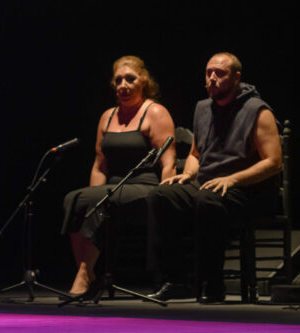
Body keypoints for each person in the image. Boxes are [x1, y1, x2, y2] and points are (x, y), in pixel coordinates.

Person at [145, 52, 281, 303]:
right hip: (207, 183)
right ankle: (175, 280)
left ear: (236, 77)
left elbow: (273, 162)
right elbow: (196, 153)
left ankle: (212, 282)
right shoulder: (203, 108)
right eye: (209, 73)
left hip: (250, 189)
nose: (212, 78)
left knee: (208, 201)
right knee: (162, 195)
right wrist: (186, 174)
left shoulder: (257, 110)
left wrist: (232, 179)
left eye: (220, 73)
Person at [61, 56, 176, 300]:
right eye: (118, 80)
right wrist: (94, 196)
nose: (123, 85)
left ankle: (83, 274)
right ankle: (89, 272)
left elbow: (168, 162)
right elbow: (99, 165)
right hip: (113, 187)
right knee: (75, 199)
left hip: (145, 188)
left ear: (143, 82)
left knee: (97, 201)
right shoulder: (107, 116)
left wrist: (166, 196)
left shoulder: (155, 112)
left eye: (130, 79)